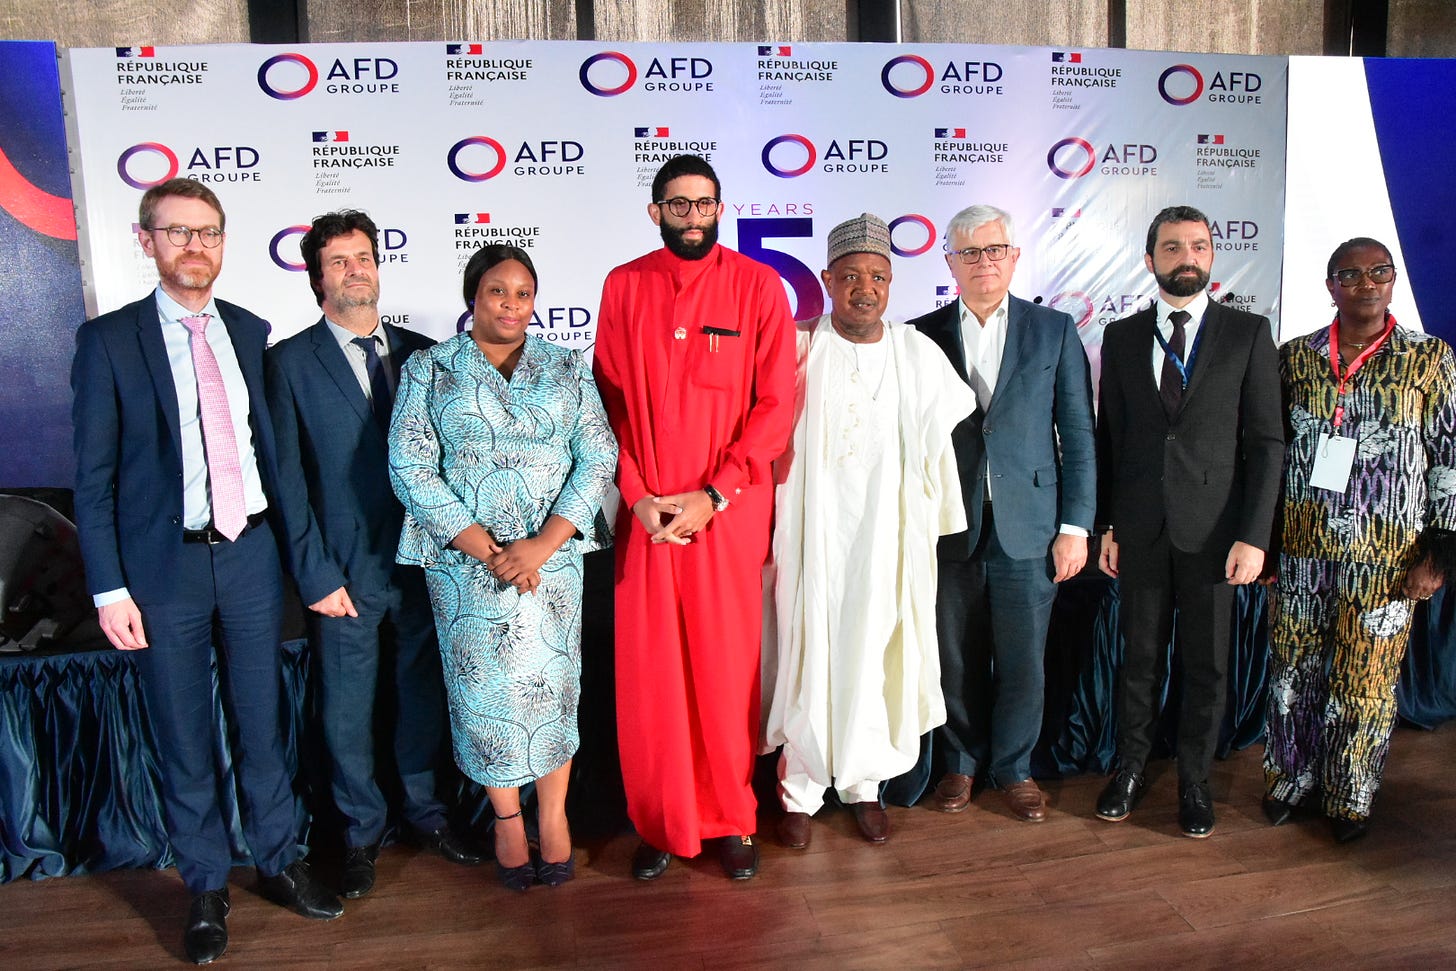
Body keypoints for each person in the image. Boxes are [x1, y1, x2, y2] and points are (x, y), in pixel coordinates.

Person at [70, 179, 341, 965]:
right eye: (179, 232)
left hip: (252, 555)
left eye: (210, 232)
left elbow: (275, 462)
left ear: (224, 242)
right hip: (165, 569)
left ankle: (280, 859)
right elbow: (93, 477)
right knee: (185, 733)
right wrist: (108, 585)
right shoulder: (110, 340)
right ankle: (205, 885)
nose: (197, 246)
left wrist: (305, 563)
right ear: (146, 240)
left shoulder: (252, 331)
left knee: (264, 722)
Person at [266, 210, 481, 900]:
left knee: (421, 696)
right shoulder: (288, 363)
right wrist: (315, 572)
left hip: (424, 566)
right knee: (347, 709)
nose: (355, 269)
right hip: (343, 573)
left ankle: (426, 812)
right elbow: (286, 482)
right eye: (338, 261)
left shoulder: (425, 353)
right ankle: (359, 833)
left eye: (364, 257)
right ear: (316, 277)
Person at [592, 154, 796, 881]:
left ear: (720, 207)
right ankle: (662, 820)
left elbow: (776, 405)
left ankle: (731, 819)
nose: (692, 217)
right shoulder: (624, 285)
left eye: (704, 204)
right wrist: (639, 493)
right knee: (651, 676)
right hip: (647, 517)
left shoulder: (757, 286)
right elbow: (608, 403)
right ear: (655, 212)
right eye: (677, 205)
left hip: (725, 516)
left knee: (722, 668)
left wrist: (715, 493)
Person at [389, 244, 616, 891]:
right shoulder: (429, 369)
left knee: (553, 693)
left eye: (522, 293)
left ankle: (554, 816)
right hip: (467, 568)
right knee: (486, 699)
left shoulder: (567, 366)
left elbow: (597, 456)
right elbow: (410, 466)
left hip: (554, 565)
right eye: (497, 291)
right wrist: (491, 551)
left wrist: (541, 544)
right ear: (473, 297)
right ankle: (507, 820)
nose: (511, 304)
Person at [763, 213, 974, 848]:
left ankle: (862, 785)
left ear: (891, 283)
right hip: (811, 537)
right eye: (850, 275)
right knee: (810, 646)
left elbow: (942, 445)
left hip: (887, 539)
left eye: (877, 277)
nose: (864, 288)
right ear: (826, 279)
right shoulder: (799, 347)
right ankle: (798, 788)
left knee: (878, 646)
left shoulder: (915, 353)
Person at [1095, 204, 1283, 837]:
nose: (1187, 259)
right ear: (1150, 261)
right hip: (1141, 531)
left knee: (1207, 666)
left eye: (1198, 246)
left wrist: (1255, 535)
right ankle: (1129, 767)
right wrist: (1107, 526)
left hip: (1216, 536)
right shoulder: (1121, 337)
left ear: (1212, 256)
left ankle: (1195, 781)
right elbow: (1109, 439)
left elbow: (1266, 444)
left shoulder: (1247, 333)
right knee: (1138, 660)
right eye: (1172, 248)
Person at [908, 204, 1096, 823]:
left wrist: (1075, 527)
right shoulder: (920, 334)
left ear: (1014, 256)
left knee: (1023, 661)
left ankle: (1014, 768)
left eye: (995, 250)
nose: (983, 262)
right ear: (949, 261)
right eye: (969, 252)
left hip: (1032, 527)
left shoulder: (1054, 328)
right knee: (954, 655)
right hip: (949, 527)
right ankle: (961, 762)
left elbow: (1077, 431)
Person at [1263, 237, 1456, 842]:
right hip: (1301, 548)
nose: (1365, 284)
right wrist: (1265, 540)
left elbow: (1450, 457)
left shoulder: (1429, 358)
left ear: (1393, 280)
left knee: (1366, 679)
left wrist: (1440, 551)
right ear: (1330, 287)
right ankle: (1291, 778)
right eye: (1350, 274)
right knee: (1294, 670)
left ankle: (1350, 794)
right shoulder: (1294, 357)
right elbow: (1269, 454)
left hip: (1388, 557)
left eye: (1378, 272)